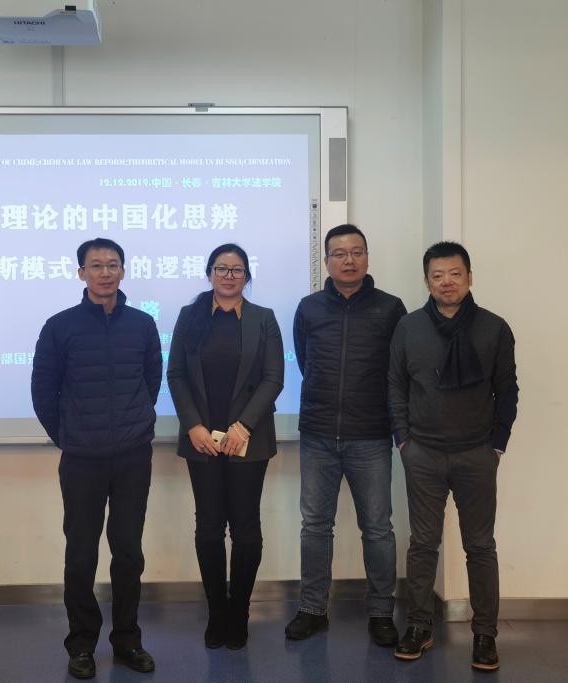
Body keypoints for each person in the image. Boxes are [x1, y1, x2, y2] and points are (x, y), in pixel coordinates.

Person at [31, 238, 162, 680]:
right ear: (81, 273)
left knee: (128, 553)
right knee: (81, 554)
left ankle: (127, 640)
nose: (105, 273)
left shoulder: (142, 325)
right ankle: (82, 644)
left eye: (113, 265)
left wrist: (134, 425)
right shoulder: (59, 326)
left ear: (123, 271)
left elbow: (151, 380)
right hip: (82, 459)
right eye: (96, 265)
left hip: (132, 457)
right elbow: (43, 391)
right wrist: (68, 437)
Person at [388, 241, 518, 671]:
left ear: (469, 277)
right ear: (427, 281)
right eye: (438, 275)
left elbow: (507, 390)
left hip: (476, 454)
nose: (447, 282)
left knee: (480, 546)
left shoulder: (494, 328)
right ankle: (419, 626)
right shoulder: (408, 327)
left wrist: (496, 445)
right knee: (423, 544)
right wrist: (403, 441)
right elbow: (396, 386)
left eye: (455, 274)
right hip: (422, 453)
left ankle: (485, 634)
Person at [284, 224, 406, 646]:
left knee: (378, 528)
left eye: (356, 252)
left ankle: (381, 612)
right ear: (327, 261)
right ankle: (312, 609)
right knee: (315, 526)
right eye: (339, 253)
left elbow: (398, 371)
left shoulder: (390, 309)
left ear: (367, 257)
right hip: (318, 433)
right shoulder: (309, 308)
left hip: (370, 435)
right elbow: (306, 361)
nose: (348, 260)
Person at [166, 243, 284, 651]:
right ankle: (217, 611)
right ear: (210, 273)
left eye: (237, 269)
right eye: (221, 268)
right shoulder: (190, 316)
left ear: (247, 276)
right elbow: (176, 374)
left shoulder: (263, 319)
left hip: (248, 441)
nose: (229, 275)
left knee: (246, 528)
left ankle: (240, 612)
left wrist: (243, 426)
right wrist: (193, 426)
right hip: (202, 441)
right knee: (209, 528)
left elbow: (273, 377)